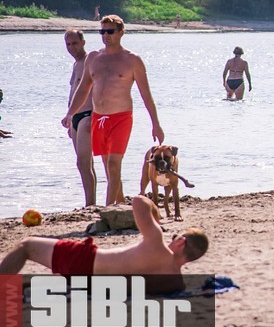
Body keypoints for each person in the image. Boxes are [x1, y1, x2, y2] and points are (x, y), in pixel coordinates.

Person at [0, 195, 208, 294]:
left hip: (85, 262)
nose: (171, 239)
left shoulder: (157, 243)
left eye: (175, 237)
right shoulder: (177, 283)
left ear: (180, 242)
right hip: (93, 285)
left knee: (27, 245)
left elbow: (138, 201)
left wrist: (156, 213)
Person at [61, 15, 165, 206]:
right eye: (102, 32)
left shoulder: (132, 60)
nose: (106, 36)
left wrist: (156, 124)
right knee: (109, 169)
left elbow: (146, 95)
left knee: (114, 164)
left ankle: (108, 211)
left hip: (121, 117)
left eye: (110, 32)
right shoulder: (93, 58)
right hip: (100, 118)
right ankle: (120, 203)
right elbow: (83, 89)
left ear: (121, 32)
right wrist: (70, 114)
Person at [64, 29, 96, 207]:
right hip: (74, 117)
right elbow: (73, 92)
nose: (71, 48)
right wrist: (69, 118)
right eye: (68, 44)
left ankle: (90, 204)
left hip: (87, 114)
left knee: (83, 162)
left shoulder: (90, 60)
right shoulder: (76, 64)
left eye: (75, 43)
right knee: (85, 164)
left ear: (83, 42)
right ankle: (90, 202)